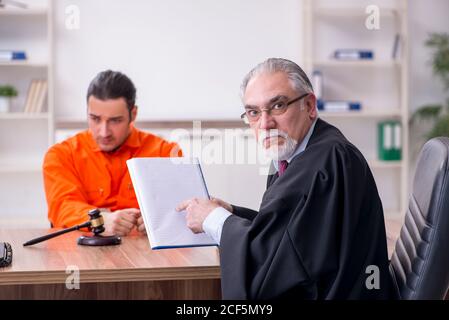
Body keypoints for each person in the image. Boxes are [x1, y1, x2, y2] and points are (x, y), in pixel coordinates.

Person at [176, 58, 396, 299]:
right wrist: (232, 212)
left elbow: (275, 264)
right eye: (253, 112)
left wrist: (214, 220)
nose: (265, 123)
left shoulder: (324, 162)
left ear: (310, 105)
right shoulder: (296, 154)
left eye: (278, 106)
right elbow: (290, 232)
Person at [43, 70, 182, 236]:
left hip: (146, 257)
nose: (104, 132)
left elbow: (182, 208)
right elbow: (62, 208)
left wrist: (163, 218)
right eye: (95, 119)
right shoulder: (61, 155)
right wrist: (99, 220)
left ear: (133, 114)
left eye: (115, 121)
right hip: (82, 257)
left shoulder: (166, 154)